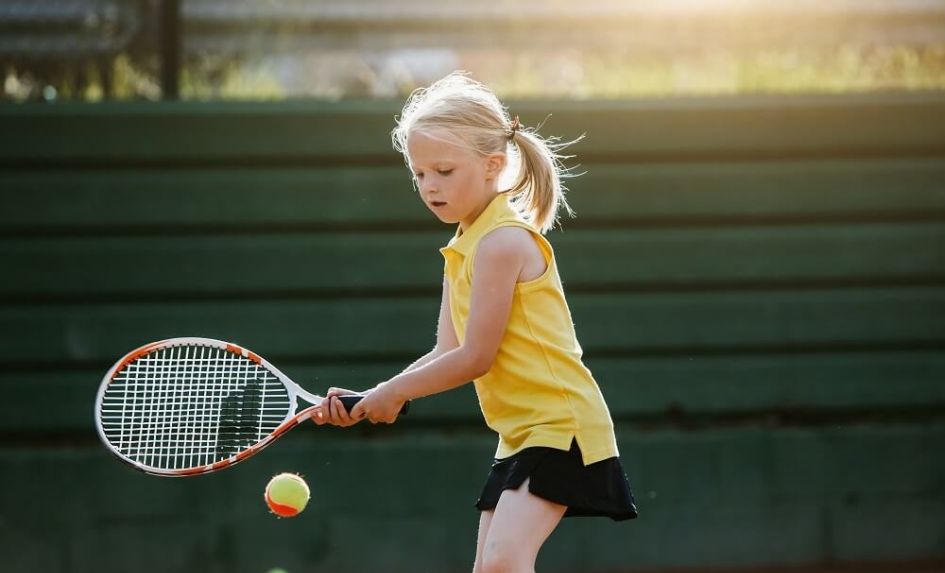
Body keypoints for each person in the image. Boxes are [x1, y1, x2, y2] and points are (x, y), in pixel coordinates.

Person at [312, 71, 637, 573]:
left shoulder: (503, 242)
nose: (429, 186)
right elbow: (447, 350)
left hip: (561, 426)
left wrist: (394, 393)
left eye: (444, 170)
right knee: (490, 569)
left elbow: (475, 357)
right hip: (520, 433)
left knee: (505, 562)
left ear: (493, 165)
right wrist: (372, 395)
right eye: (419, 174)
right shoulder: (462, 246)